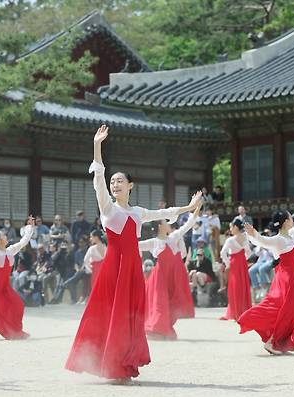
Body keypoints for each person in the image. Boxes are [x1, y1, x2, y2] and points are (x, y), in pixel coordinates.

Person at [65, 125, 202, 383]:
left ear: (130, 185)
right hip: (114, 268)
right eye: (113, 181)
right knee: (112, 313)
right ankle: (108, 362)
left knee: (131, 316)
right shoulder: (108, 209)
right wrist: (97, 146)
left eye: (120, 181)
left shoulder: (137, 212)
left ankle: (125, 362)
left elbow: (164, 213)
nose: (115, 184)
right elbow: (98, 181)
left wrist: (190, 207)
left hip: (133, 269)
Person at [238, 184, 294, 355]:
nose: (293, 220)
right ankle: (272, 341)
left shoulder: (292, 234)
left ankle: (276, 341)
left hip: (290, 280)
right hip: (285, 281)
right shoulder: (278, 240)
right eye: (290, 218)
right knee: (288, 311)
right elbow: (262, 242)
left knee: (293, 313)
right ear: (285, 222)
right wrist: (253, 234)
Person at [138, 205, 199, 339]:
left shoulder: (174, 237)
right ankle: (156, 329)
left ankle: (164, 328)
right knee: (160, 303)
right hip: (159, 278)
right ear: (160, 226)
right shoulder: (154, 242)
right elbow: (135, 245)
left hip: (173, 277)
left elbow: (188, 225)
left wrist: (196, 210)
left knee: (172, 303)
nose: (168, 224)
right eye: (165, 222)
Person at [219, 218, 252, 321]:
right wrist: (243, 259)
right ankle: (244, 311)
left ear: (236, 227)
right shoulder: (245, 238)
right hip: (242, 264)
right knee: (243, 286)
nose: (230, 229)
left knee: (234, 287)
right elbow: (249, 253)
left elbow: (222, 253)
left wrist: (228, 263)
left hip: (234, 264)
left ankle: (235, 312)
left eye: (231, 227)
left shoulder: (230, 240)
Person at [81, 230, 106, 304]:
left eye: (91, 237)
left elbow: (85, 260)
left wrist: (91, 269)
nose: (90, 239)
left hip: (96, 271)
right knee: (104, 290)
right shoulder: (106, 247)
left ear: (96, 237)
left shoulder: (92, 248)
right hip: (105, 271)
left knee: (96, 290)